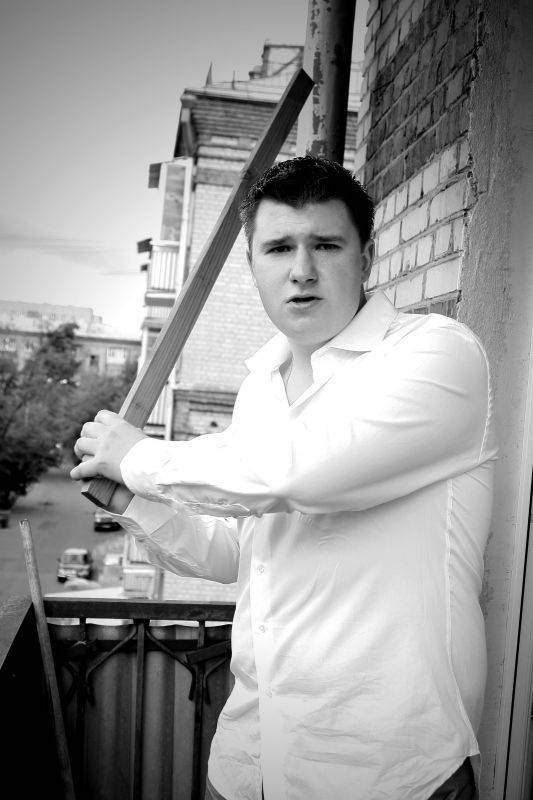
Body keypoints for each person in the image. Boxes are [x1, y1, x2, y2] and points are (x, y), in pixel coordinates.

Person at [71, 155, 498, 800]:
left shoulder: (437, 353)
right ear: (253, 267)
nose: (302, 270)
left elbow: (300, 473)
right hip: (249, 759)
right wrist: (133, 500)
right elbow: (235, 550)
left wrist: (139, 458)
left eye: (325, 244)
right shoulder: (261, 387)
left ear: (366, 256)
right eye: (278, 248)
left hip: (386, 772)